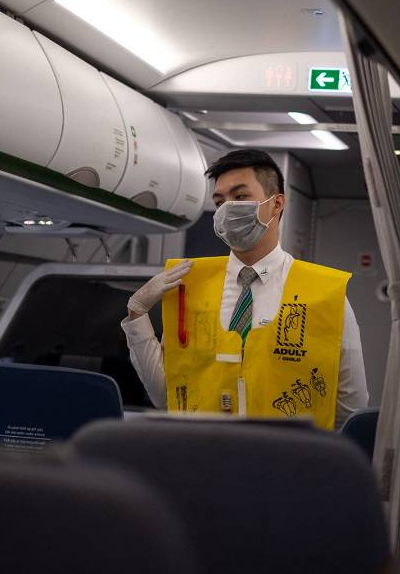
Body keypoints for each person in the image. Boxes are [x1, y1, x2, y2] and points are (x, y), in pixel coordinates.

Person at [121, 149, 368, 430]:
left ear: (276, 204)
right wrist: (137, 314)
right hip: (202, 450)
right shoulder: (190, 287)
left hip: (288, 454)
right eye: (219, 202)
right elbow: (168, 396)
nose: (227, 209)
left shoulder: (325, 293)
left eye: (239, 197)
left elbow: (350, 407)